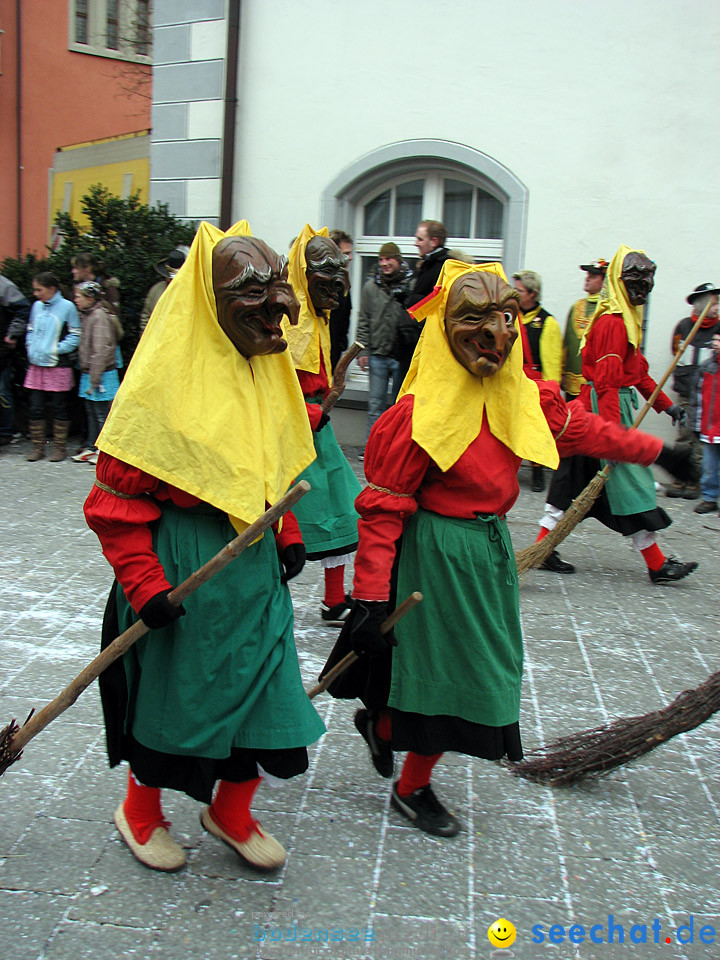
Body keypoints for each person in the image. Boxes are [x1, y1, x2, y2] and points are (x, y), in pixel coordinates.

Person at [319, 260, 695, 837]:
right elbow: (383, 511)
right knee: (448, 674)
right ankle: (411, 785)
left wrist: (656, 451)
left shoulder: (522, 397)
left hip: (488, 551)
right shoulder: (419, 416)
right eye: (476, 318)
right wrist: (369, 598)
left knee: (480, 669)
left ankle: (386, 729)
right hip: (434, 557)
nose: (496, 332)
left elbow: (585, 431)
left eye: (505, 315)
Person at [83, 223, 325, 874]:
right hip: (183, 574)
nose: (279, 307)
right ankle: (139, 811)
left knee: (271, 705)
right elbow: (114, 506)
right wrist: (144, 587)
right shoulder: (161, 390)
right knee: (176, 706)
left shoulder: (266, 374)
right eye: (254, 292)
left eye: (279, 290)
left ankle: (233, 811)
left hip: (254, 574)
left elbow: (275, 471)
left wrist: (290, 533)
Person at [536, 245, 697, 584]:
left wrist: (667, 406)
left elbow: (638, 374)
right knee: (629, 488)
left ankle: (544, 550)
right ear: (620, 282)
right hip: (602, 413)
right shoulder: (612, 323)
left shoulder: (625, 321)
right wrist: (613, 438)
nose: (642, 288)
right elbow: (608, 383)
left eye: (646, 280)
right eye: (635, 280)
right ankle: (655, 565)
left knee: (574, 488)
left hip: (602, 410)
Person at [283, 224, 361, 625]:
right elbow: (277, 388)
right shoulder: (293, 319)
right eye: (325, 270)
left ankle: (334, 599)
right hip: (293, 432)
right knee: (284, 515)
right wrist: (311, 413)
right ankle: (266, 594)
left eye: (340, 269)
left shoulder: (318, 314)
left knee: (343, 506)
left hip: (319, 425)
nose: (337, 281)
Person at [666, 282, 720, 499]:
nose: (716, 305)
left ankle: (695, 481)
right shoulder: (684, 327)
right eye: (712, 300)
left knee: (702, 441)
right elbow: (675, 351)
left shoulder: (719, 329)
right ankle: (680, 478)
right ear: (700, 303)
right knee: (684, 436)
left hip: (710, 396)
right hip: (687, 393)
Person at [512, 269, 563, 491]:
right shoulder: (509, 316)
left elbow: (552, 363)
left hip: (534, 384)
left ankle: (537, 470)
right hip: (512, 381)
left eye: (519, 290)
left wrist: (551, 393)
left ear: (533, 293)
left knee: (534, 428)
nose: (515, 293)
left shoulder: (547, 322)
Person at [357, 242, 414, 441]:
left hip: (401, 356)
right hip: (377, 356)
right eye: (381, 259)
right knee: (375, 405)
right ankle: (372, 446)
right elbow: (363, 319)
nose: (384, 263)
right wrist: (363, 351)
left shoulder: (410, 284)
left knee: (399, 406)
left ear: (398, 260)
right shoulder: (371, 287)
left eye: (388, 259)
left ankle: (393, 450)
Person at [24, 272, 81, 462]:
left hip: (58, 365)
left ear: (52, 289)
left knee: (59, 407)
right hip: (36, 365)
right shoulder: (37, 306)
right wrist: (31, 347)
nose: (35, 293)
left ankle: (59, 448)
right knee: (36, 407)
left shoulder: (67, 307)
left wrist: (56, 349)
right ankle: (38, 447)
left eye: (39, 289)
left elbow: (75, 335)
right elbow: (30, 330)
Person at [394, 220, 451, 384]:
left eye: (420, 239)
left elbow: (439, 303)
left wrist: (412, 300)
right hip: (411, 347)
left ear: (433, 241)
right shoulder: (426, 264)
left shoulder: (444, 267)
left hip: (425, 350)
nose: (415, 243)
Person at [71, 281, 121, 464]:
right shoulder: (88, 315)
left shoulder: (99, 316)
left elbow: (101, 350)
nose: (75, 300)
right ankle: (92, 447)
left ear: (90, 297)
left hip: (100, 375)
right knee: (91, 412)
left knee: (101, 413)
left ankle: (103, 449)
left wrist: (94, 379)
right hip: (91, 372)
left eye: (78, 296)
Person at [562, 259, 608, 400]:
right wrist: (560, 373)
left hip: (595, 386)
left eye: (593, 276)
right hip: (572, 385)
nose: (587, 278)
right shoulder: (576, 307)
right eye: (587, 275)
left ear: (604, 282)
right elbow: (566, 344)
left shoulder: (607, 310)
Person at [690, 332, 720, 515]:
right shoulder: (706, 367)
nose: (716, 344)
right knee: (709, 466)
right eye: (715, 340)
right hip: (710, 428)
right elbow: (697, 398)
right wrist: (695, 423)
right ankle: (709, 498)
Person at [0, 275, 31, 445]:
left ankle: (5, 432)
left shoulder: (4, 286)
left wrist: (12, 335)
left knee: (2, 391)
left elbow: (22, 310)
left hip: (2, 348)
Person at [138, 246, 189, 335]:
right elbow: (146, 317)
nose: (169, 280)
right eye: (168, 276)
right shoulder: (156, 290)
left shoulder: (191, 291)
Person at [328, 229, 354, 371]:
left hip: (334, 351)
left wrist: (341, 343)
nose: (350, 257)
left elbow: (345, 314)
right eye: (346, 253)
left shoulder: (343, 281)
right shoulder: (322, 282)